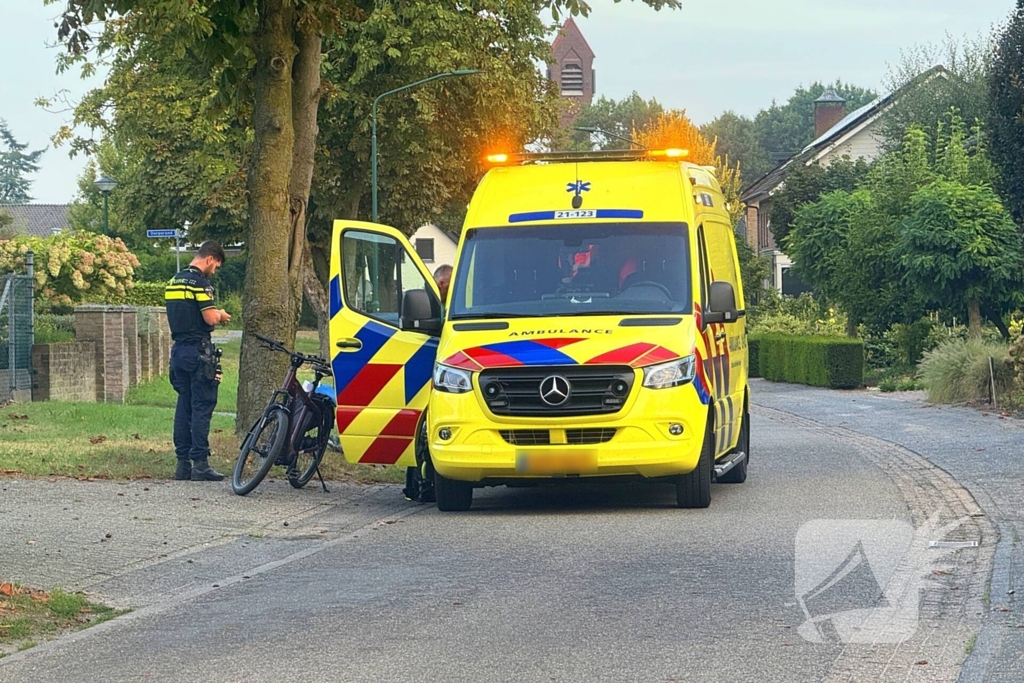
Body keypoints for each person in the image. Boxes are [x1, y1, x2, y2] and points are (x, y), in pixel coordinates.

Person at [165, 241, 232, 482]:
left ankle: (182, 464)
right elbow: (210, 317)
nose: (214, 271)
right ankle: (201, 464)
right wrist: (221, 315)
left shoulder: (173, 281)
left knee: (184, 406)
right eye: (216, 266)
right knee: (202, 406)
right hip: (198, 352)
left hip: (178, 352)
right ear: (211, 259)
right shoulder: (200, 283)